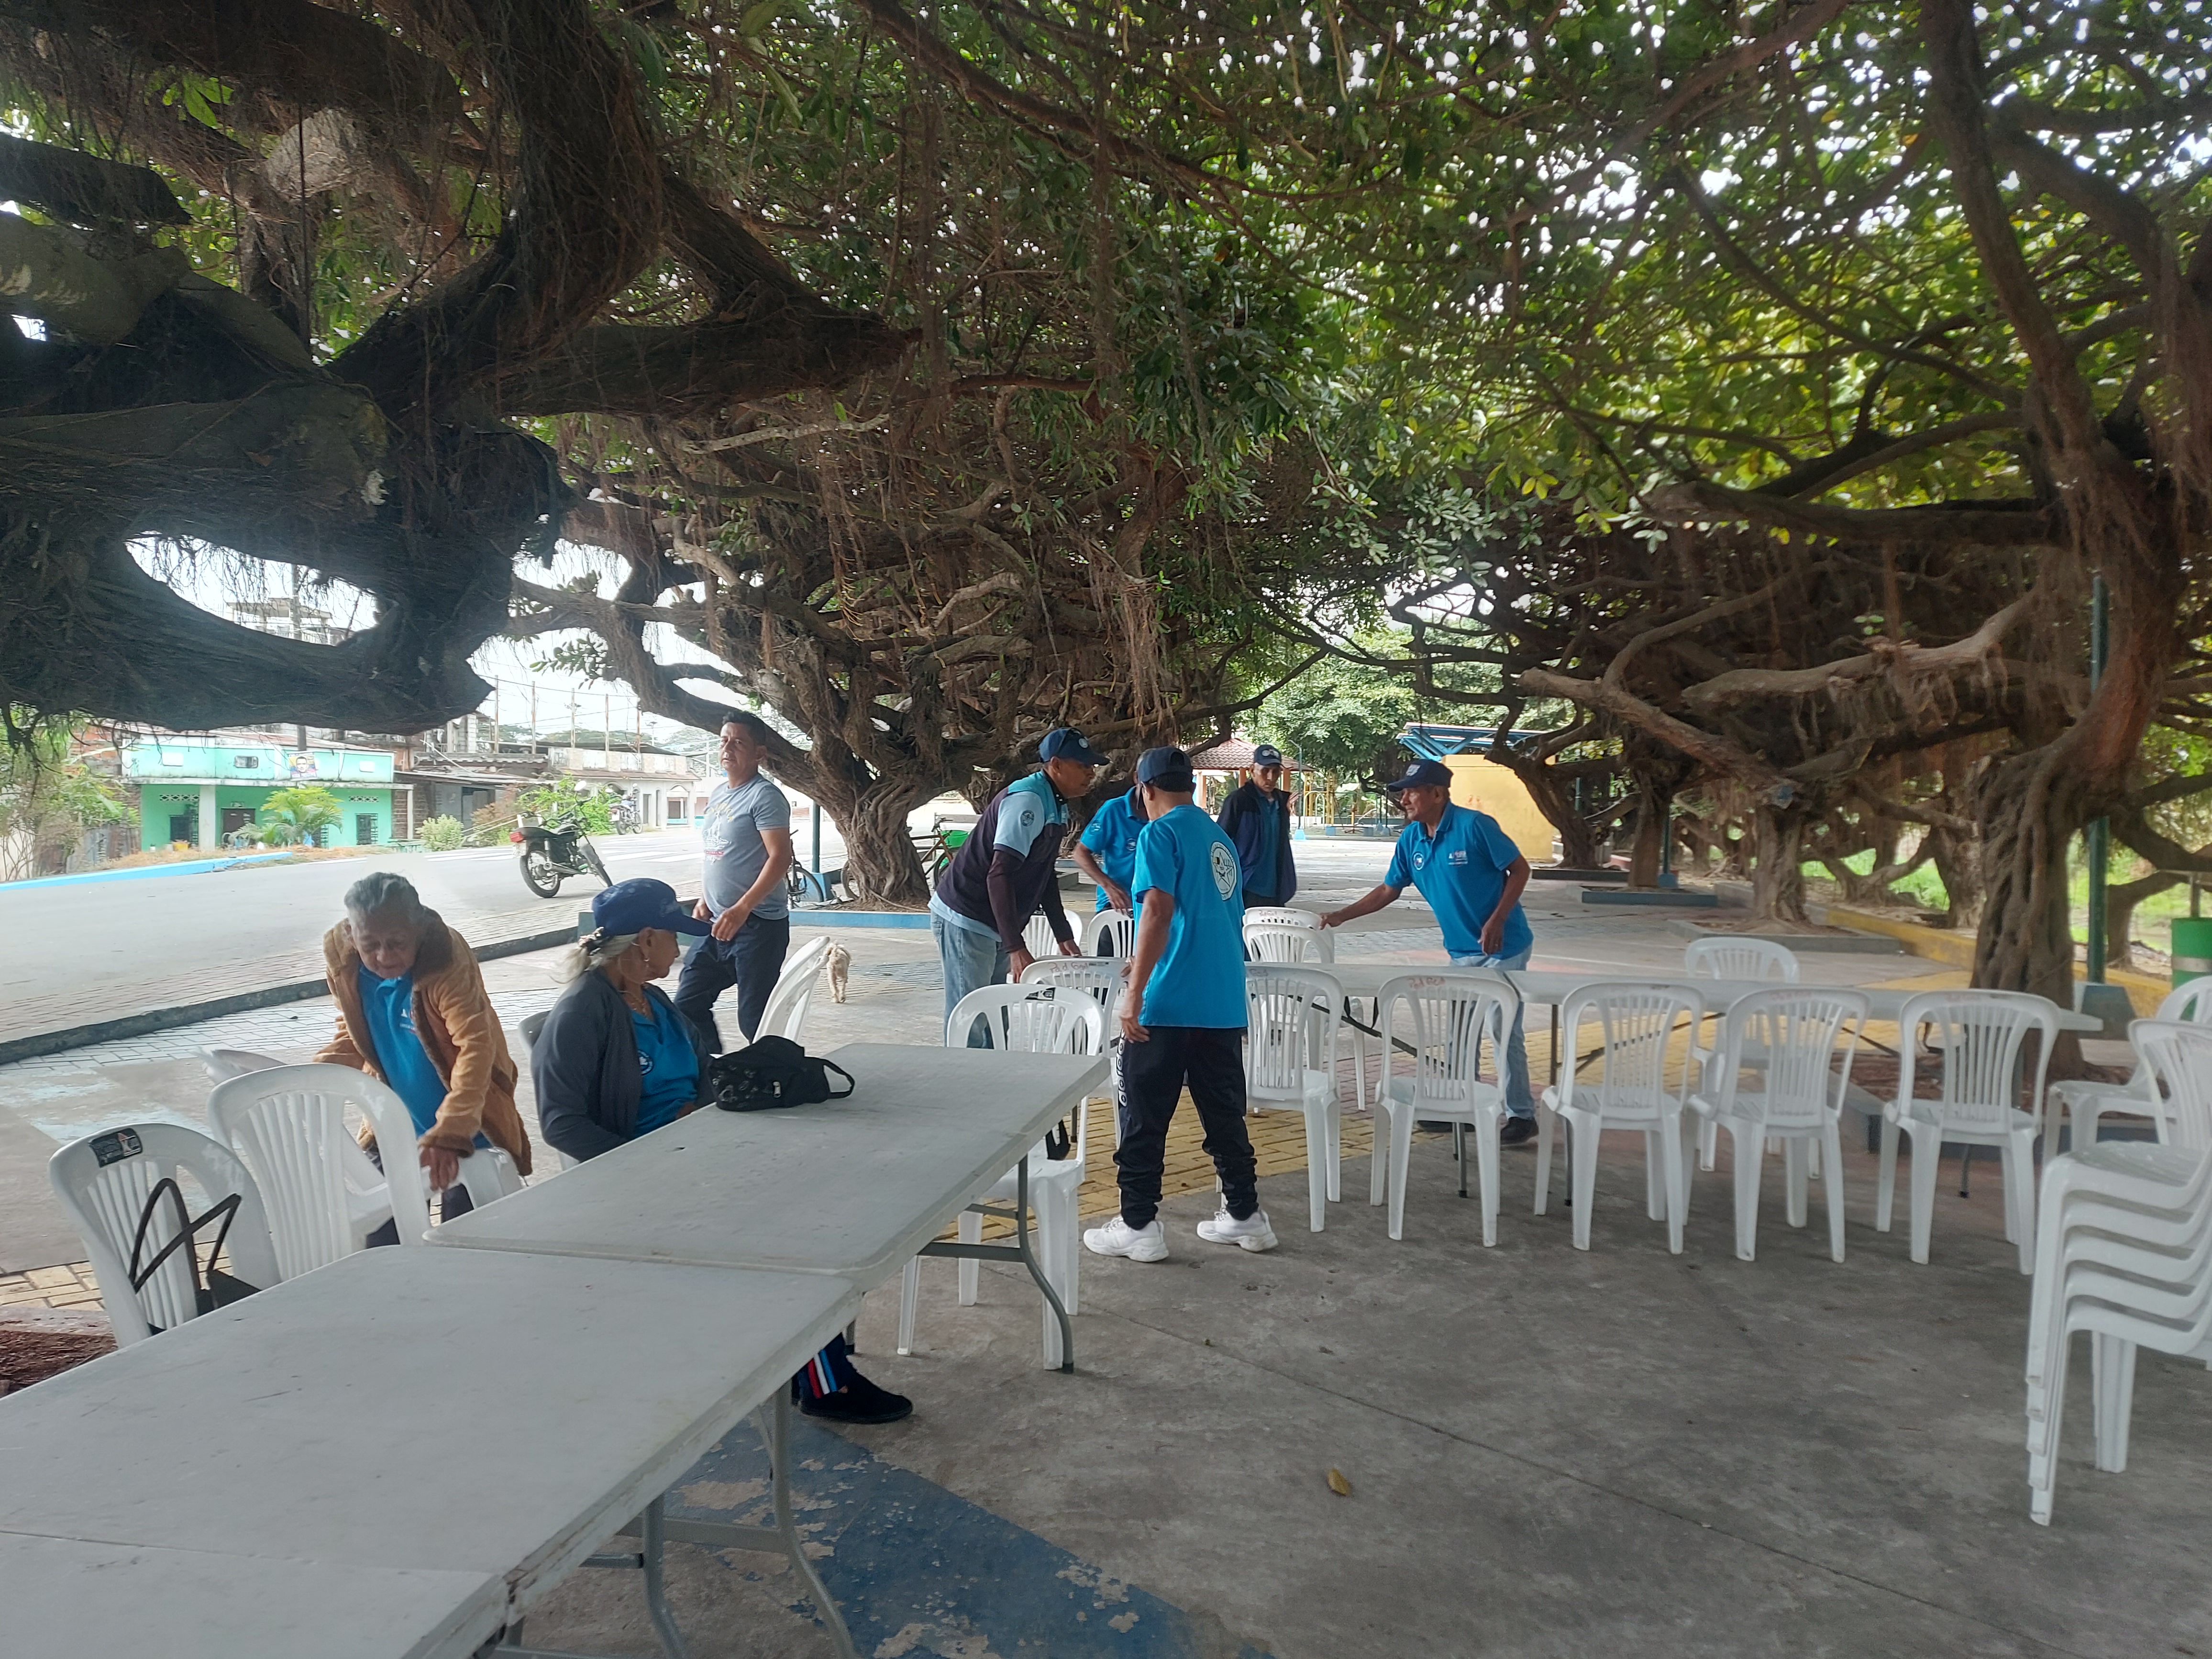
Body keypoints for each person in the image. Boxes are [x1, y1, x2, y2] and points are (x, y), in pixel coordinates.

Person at [534, 878, 911, 1425]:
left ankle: (810, 1358)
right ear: (645, 940)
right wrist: (645, 1162)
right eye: (674, 937)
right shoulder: (582, 1012)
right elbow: (561, 1122)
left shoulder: (654, 1001)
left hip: (697, 1155)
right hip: (644, 1180)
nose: (683, 948)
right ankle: (824, 1382)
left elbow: (703, 1075)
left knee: (820, 1200)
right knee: (785, 1238)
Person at [1083, 746, 1276, 1262]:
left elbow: (1158, 911)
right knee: (1224, 1117)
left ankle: (1138, 1224)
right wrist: (1145, 959)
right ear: (1189, 785)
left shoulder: (1158, 833)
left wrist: (1135, 992)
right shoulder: (1218, 838)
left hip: (1168, 1004)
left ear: (1145, 788)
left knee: (1144, 1118)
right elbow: (1204, 917)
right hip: (1222, 1000)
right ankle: (1245, 1215)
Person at [1318, 758, 1538, 1143]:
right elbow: (1388, 890)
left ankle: (1521, 1114)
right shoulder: (1412, 839)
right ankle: (1462, 1108)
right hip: (1461, 950)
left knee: (1502, 1029)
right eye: (1401, 793)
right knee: (1459, 1033)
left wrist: (1498, 919)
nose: (1403, 799)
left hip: (1503, 947)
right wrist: (1342, 915)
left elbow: (1519, 870)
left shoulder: (1475, 826)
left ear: (1437, 793)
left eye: (1411, 792)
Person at [316, 871, 533, 1223]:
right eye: (370, 945)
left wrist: (451, 1133)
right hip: (394, 1123)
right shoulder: (345, 964)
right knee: (381, 1233)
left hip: (467, 1123)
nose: (384, 956)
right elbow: (353, 1034)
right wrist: (312, 1077)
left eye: (397, 943)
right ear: (351, 936)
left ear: (418, 931)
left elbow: (475, 1046)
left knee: (467, 1231)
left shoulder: (444, 959)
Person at [929, 727, 1101, 1038]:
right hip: (968, 916)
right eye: (1083, 765)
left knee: (997, 1015)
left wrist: (1062, 932)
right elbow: (1000, 873)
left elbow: (1043, 872)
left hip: (996, 921)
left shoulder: (1056, 802)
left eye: (1092, 766)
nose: (1091, 772)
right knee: (971, 1019)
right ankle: (962, 1071)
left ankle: (994, 1070)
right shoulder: (1028, 800)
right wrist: (1016, 946)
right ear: (1056, 764)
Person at [675, 712, 793, 1052]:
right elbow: (720, 853)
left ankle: (775, 1073)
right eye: (724, 741)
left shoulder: (764, 797)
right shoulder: (718, 794)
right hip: (717, 921)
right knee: (687, 1003)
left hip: (757, 925)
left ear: (759, 754)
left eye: (739, 742)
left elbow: (780, 858)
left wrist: (742, 909)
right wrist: (705, 898)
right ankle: (712, 1069)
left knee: (756, 1019)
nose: (728, 748)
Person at [1070, 775, 1147, 950]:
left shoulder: (1168, 812)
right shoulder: (1114, 810)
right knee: (1111, 960)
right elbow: (1080, 853)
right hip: (1119, 904)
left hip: (1155, 904)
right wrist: (1109, 887)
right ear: (1137, 778)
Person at [1216, 743, 1297, 907]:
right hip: (1246, 886)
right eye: (1265, 771)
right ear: (1252, 770)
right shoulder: (1238, 800)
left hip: (1277, 887)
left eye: (1276, 772)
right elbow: (1220, 842)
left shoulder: (1281, 802)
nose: (1271, 777)